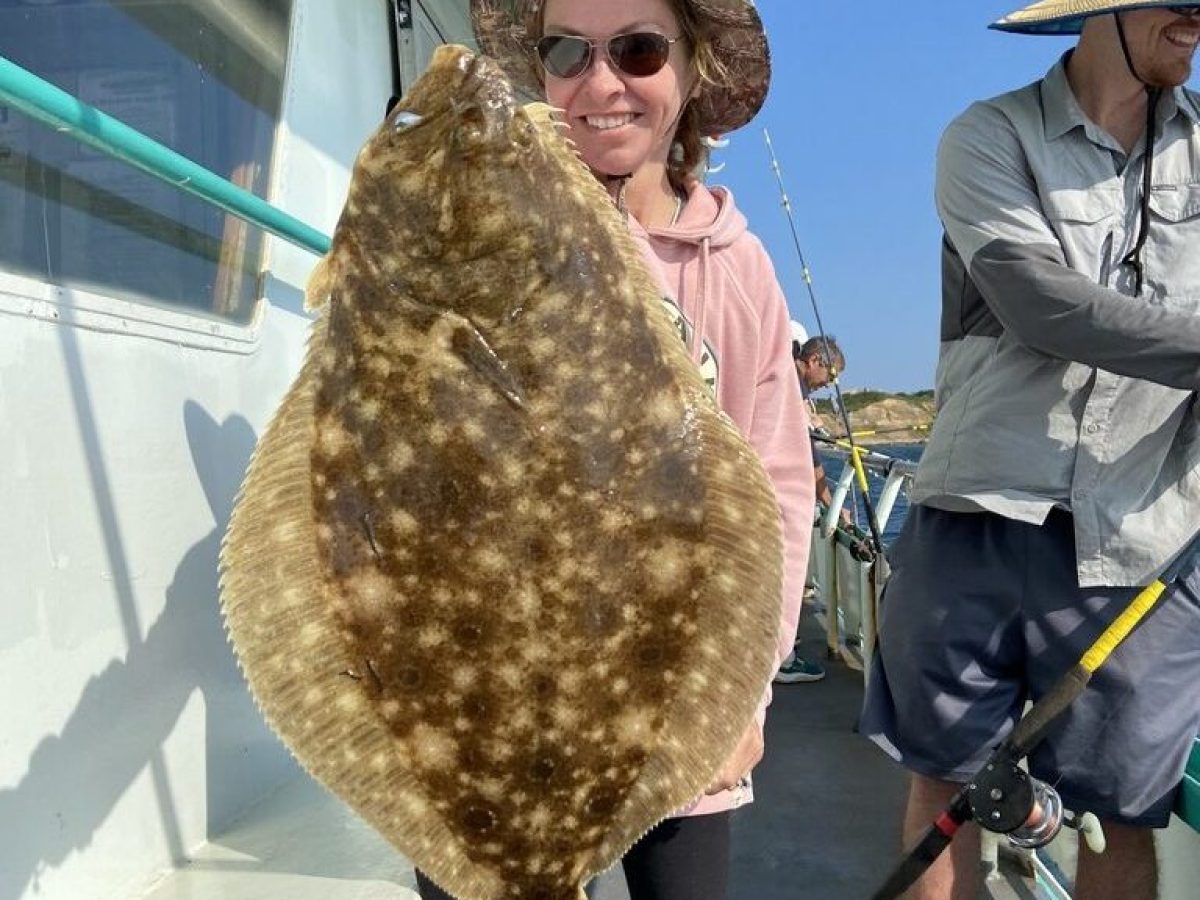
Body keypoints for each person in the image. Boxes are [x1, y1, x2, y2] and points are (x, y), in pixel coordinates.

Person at [409, 3, 815, 900]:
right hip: (491, 696)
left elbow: (780, 488)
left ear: (693, 68)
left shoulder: (738, 271)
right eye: (566, 52)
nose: (601, 84)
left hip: (678, 689)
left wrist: (746, 691)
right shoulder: (478, 227)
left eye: (637, 50)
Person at [859, 3, 1200, 899]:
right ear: (1103, 13)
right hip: (981, 509)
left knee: (1118, 813)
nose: (1198, 20)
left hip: (1145, 538)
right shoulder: (988, 136)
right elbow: (1036, 301)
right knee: (944, 781)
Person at [775, 331, 851, 684]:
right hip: (776, 499)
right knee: (781, 572)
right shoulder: (789, 389)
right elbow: (809, 456)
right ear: (815, 361)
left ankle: (780, 642)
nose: (830, 384)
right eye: (831, 375)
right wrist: (829, 500)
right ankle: (782, 659)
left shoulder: (788, 383)